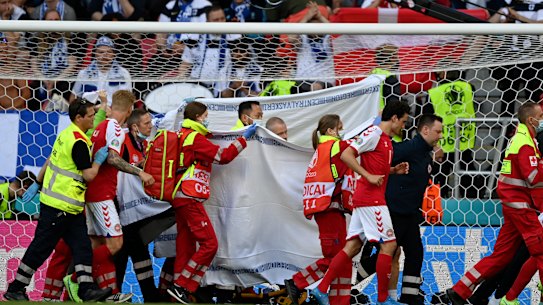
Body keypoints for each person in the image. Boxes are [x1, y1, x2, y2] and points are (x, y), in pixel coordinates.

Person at [3, 98, 112, 302]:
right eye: (89, 116)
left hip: (69, 208)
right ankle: (16, 288)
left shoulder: (67, 134)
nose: (92, 119)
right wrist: (98, 161)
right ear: (78, 118)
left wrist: (38, 181)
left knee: (82, 247)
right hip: (59, 206)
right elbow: (88, 175)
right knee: (40, 248)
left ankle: (86, 288)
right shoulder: (78, 142)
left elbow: (51, 160)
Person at [310, 100, 411, 305]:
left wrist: (393, 171)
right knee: (390, 246)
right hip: (371, 200)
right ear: (393, 118)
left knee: (352, 247)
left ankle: (321, 289)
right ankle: (383, 300)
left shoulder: (385, 140)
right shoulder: (373, 134)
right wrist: (368, 176)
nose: (404, 126)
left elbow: (375, 169)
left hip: (367, 199)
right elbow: (347, 155)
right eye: (403, 121)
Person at [445, 101, 543, 305]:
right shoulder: (524, 142)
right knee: (541, 251)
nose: (542, 120)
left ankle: (460, 290)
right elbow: (533, 177)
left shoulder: (522, 138)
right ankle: (508, 298)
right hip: (520, 205)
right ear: (531, 119)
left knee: (502, 256)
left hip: (513, 204)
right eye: (541, 116)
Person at [65, 90, 154, 303]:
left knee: (96, 244)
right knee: (115, 244)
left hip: (92, 191)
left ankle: (97, 290)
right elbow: (113, 159)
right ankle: (75, 279)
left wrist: (104, 103)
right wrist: (139, 171)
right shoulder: (114, 127)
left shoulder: (102, 124)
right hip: (102, 195)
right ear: (130, 109)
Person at [166, 101, 257, 304]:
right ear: (198, 117)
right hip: (189, 196)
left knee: (185, 246)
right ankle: (181, 286)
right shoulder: (196, 138)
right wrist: (244, 139)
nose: (208, 119)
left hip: (178, 196)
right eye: (206, 115)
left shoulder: (182, 134)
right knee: (210, 244)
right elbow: (223, 157)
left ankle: (181, 293)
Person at [284, 114, 355, 305]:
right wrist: (375, 127)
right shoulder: (336, 147)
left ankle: (340, 300)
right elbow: (359, 147)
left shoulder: (323, 149)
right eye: (340, 128)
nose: (343, 132)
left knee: (344, 258)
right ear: (331, 131)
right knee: (337, 257)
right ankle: (297, 282)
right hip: (329, 210)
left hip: (329, 209)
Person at [386, 114, 443, 305]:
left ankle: (410, 296)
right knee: (386, 255)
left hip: (410, 213)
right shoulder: (410, 147)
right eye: (438, 131)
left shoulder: (425, 154)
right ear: (425, 130)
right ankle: (350, 285)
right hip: (396, 211)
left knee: (415, 253)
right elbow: (388, 155)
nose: (440, 135)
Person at [113, 108, 161, 302]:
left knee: (133, 247)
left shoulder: (143, 145)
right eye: (147, 123)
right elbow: (114, 164)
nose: (151, 126)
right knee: (130, 248)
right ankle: (149, 294)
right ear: (134, 127)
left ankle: (143, 294)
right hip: (116, 205)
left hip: (131, 208)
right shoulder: (123, 141)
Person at [70, 36, 132, 105]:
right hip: (89, 112)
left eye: (109, 52)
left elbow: (127, 101)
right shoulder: (84, 73)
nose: (105, 56)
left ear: (114, 54)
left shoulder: (123, 74)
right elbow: (75, 99)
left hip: (114, 112)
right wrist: (87, 106)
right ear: (95, 54)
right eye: (101, 52)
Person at [288, 1, 334, 91]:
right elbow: (291, 38)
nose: (314, 27)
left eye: (317, 23)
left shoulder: (329, 38)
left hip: (326, 81)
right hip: (302, 80)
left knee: (316, 86)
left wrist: (320, 17)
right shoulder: (302, 38)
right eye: (311, 22)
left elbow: (338, 32)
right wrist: (306, 17)